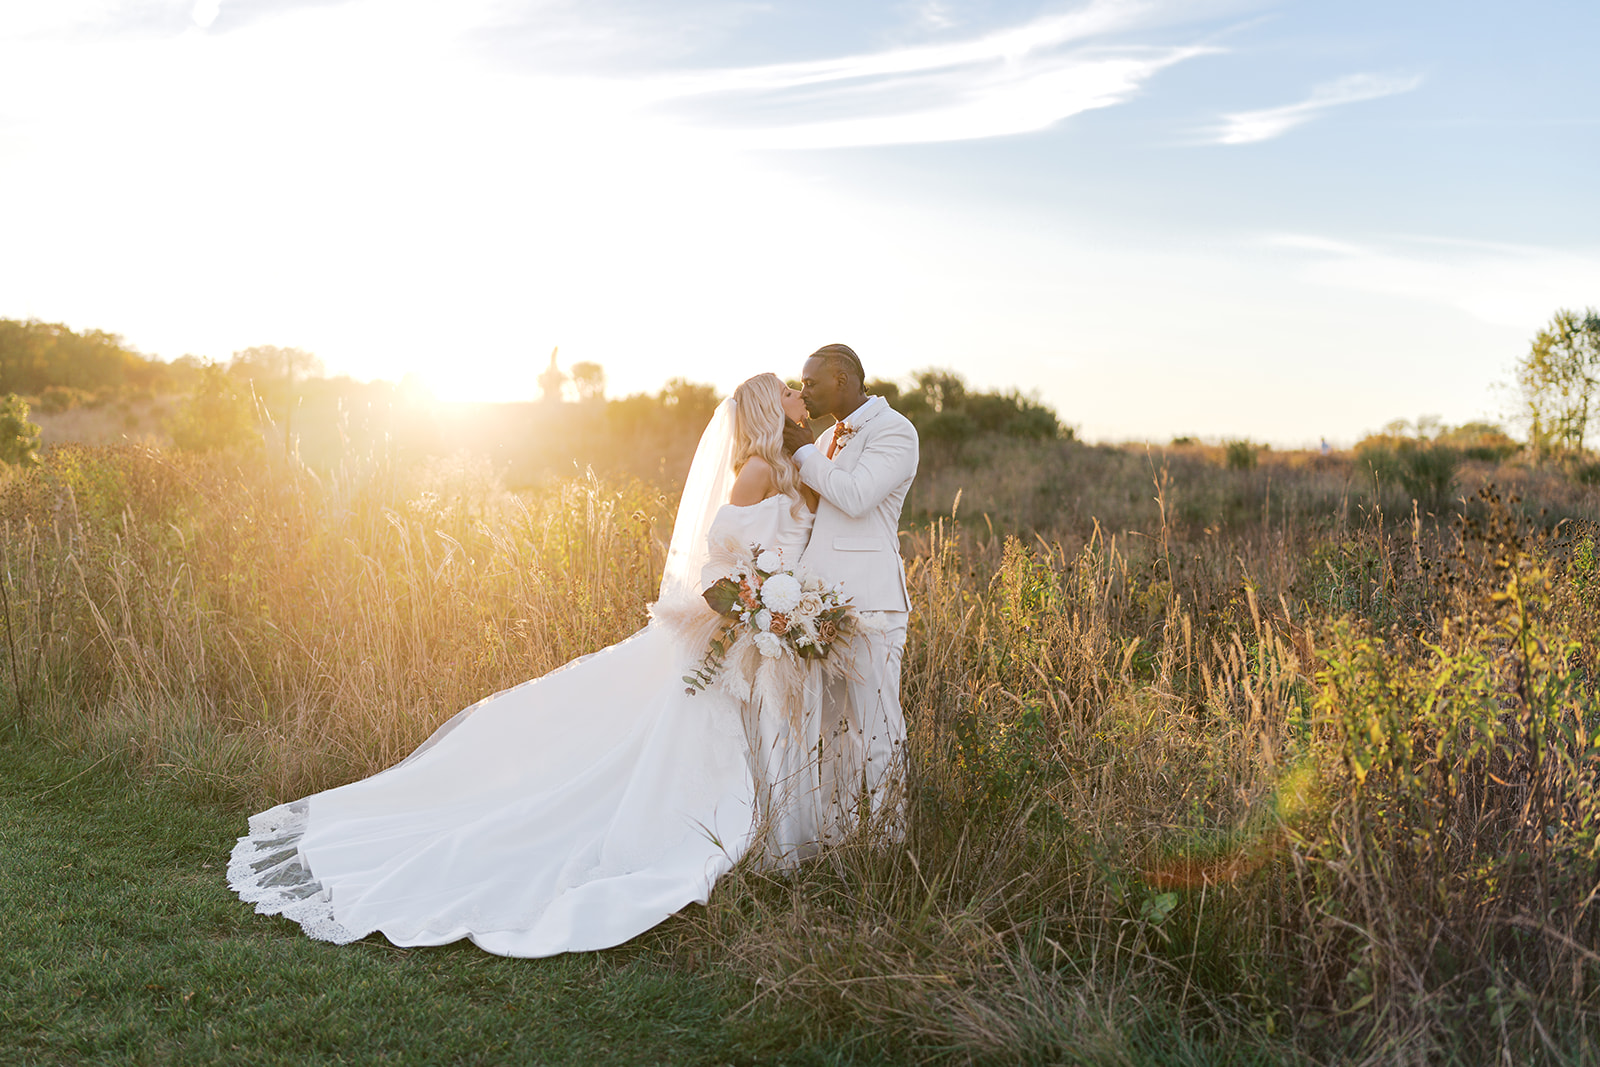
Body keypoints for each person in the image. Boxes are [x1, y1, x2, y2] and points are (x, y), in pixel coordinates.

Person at [228, 373, 836, 957]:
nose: (797, 396)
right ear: (765, 407)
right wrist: (755, 602)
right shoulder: (756, 471)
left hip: (771, 625)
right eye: (786, 390)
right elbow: (722, 554)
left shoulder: (789, 466)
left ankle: (765, 837)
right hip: (747, 624)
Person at [783, 343, 919, 830]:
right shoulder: (823, 443)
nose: (804, 392)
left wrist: (799, 447)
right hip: (822, 609)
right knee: (835, 732)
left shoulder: (896, 432)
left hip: (873, 606)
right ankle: (840, 843)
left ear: (842, 380)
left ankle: (886, 842)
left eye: (811, 383)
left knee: (878, 728)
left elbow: (857, 497)